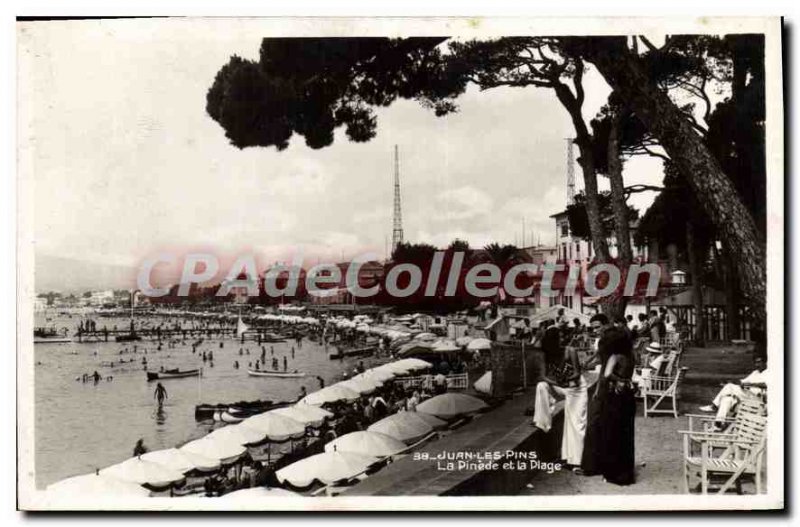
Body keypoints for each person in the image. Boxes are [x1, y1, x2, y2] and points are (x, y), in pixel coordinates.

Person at [580, 315, 636, 486]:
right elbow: (600, 358)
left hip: (608, 391)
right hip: (623, 394)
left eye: (597, 327)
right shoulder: (624, 350)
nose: (595, 330)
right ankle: (611, 467)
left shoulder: (609, 345)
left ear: (605, 325)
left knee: (601, 426)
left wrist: (599, 389)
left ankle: (596, 466)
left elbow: (605, 370)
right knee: (618, 432)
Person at [532, 340, 588, 468]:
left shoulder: (570, 351)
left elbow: (577, 373)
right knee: (542, 386)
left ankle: (575, 461)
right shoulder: (546, 355)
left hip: (577, 389)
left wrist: (565, 381)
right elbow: (543, 376)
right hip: (561, 386)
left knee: (575, 423)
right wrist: (559, 383)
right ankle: (542, 422)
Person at [699, 352, 767, 425]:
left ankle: (714, 406)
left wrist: (748, 384)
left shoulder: (770, 372)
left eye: (759, 362)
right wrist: (732, 381)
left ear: (765, 362)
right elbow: (743, 381)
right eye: (756, 363)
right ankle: (719, 422)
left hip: (758, 398)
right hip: (747, 395)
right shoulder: (755, 372)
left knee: (729, 386)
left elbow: (766, 385)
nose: (757, 365)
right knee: (727, 399)